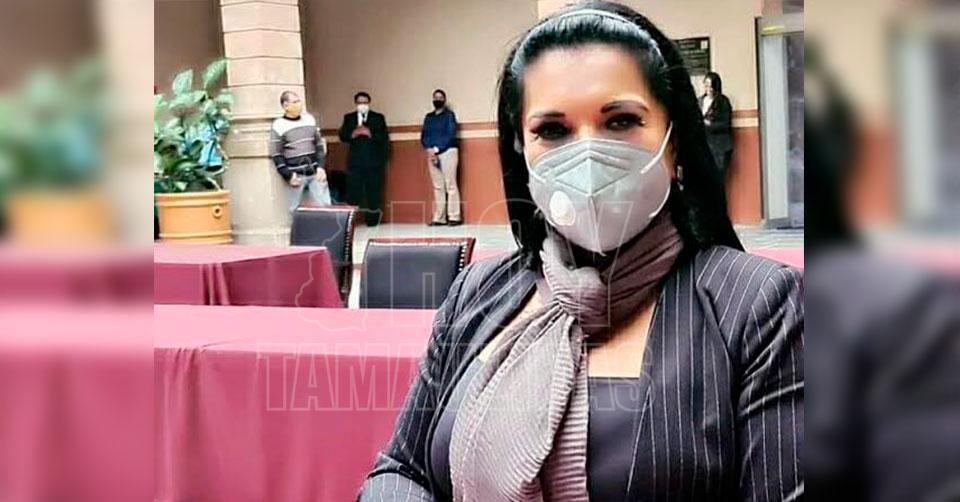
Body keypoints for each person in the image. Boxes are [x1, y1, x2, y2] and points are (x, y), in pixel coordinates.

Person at [359, 2, 803, 501]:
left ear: (674, 141)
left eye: (621, 121)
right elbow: (401, 468)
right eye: (553, 131)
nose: (587, 155)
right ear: (521, 150)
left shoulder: (757, 306)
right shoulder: (477, 293)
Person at [270, 91, 331, 212]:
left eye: (299, 101)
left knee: (325, 208)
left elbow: (319, 146)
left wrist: (321, 167)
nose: (298, 105)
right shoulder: (279, 125)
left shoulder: (309, 120)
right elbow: (276, 153)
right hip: (295, 175)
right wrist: (288, 174)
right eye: (294, 102)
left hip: (315, 172)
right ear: (286, 106)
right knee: (296, 210)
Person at [339, 91, 389, 226]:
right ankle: (351, 222)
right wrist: (353, 134)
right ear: (356, 103)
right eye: (360, 102)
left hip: (373, 162)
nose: (362, 105)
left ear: (369, 103)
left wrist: (370, 133)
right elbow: (343, 136)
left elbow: (384, 138)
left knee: (374, 193)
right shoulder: (349, 118)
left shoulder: (378, 118)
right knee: (353, 193)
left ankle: (373, 221)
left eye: (365, 102)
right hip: (355, 162)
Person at [421, 89, 461, 226]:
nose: (437, 100)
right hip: (432, 153)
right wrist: (429, 149)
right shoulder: (429, 117)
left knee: (450, 184)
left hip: (448, 151)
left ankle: (454, 217)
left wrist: (437, 148)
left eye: (440, 97)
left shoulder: (449, 115)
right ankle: (439, 218)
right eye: (435, 97)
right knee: (438, 186)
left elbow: (450, 134)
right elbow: (424, 136)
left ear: (444, 100)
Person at [700, 71, 734, 181]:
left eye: (711, 86)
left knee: (718, 178)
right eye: (706, 85)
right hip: (705, 145)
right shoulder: (700, 101)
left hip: (720, 147)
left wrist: (709, 124)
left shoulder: (723, 102)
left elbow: (726, 124)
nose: (708, 89)